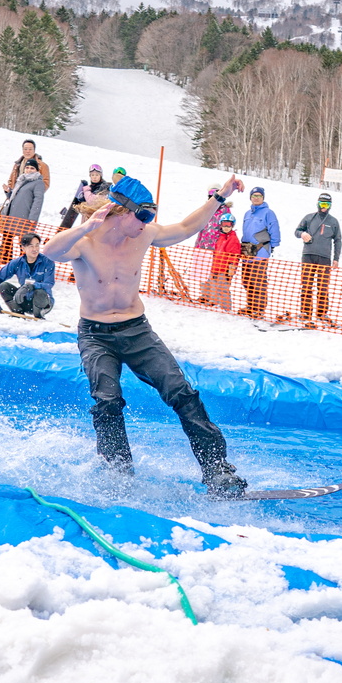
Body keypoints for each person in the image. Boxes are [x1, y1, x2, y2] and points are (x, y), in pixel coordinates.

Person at [42, 174, 250, 497]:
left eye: (150, 216)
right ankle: (119, 473)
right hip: (96, 335)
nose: (147, 223)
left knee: (181, 391)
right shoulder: (85, 241)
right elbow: (48, 251)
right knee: (107, 400)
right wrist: (84, 227)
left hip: (136, 329)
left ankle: (217, 468)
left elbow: (185, 228)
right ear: (121, 211)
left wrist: (220, 197)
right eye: (142, 215)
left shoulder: (143, 235)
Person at [293, 192, 342, 325]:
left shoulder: (333, 222)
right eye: (322, 204)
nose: (324, 207)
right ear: (318, 204)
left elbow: (338, 240)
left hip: (324, 258)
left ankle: (322, 313)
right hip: (308, 255)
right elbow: (297, 231)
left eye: (326, 204)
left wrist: (336, 258)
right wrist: (302, 234)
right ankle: (305, 311)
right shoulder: (309, 218)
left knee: (323, 286)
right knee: (307, 284)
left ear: (330, 206)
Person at [0, 151, 45, 263]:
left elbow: (38, 200)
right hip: (12, 215)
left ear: (36, 170)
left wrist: (33, 218)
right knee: (7, 237)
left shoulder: (38, 183)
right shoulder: (21, 180)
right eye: (27, 168)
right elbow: (15, 197)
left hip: (25, 217)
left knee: (25, 241)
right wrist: (8, 192)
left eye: (32, 168)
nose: (29, 170)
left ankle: (26, 262)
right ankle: (6, 259)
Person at [0, 233, 57, 317]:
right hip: (23, 300)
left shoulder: (47, 262)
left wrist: (31, 286)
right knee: (4, 286)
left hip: (43, 302)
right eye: (31, 246)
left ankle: (39, 315)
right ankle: (18, 313)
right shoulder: (17, 263)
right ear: (23, 248)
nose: (35, 249)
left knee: (40, 292)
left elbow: (49, 284)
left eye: (37, 245)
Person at [239, 187, 281, 319]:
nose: (256, 198)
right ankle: (251, 306)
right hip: (246, 250)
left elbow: (275, 230)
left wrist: (270, 247)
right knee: (246, 280)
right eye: (254, 195)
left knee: (258, 281)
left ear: (263, 198)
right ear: (250, 197)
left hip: (261, 251)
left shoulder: (268, 213)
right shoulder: (247, 213)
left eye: (259, 195)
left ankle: (259, 309)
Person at [200, 212, 241, 310]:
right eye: (224, 225)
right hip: (215, 268)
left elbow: (234, 255)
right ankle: (215, 303)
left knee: (223, 289)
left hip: (224, 270)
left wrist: (231, 268)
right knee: (213, 286)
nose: (226, 227)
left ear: (232, 225)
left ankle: (225, 307)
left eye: (229, 225)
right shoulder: (219, 237)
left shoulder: (233, 239)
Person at [60, 165, 111, 229]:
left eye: (97, 175)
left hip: (96, 222)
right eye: (92, 175)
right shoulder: (91, 187)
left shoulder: (104, 187)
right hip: (87, 220)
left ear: (100, 176)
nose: (94, 177)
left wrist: (86, 189)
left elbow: (91, 201)